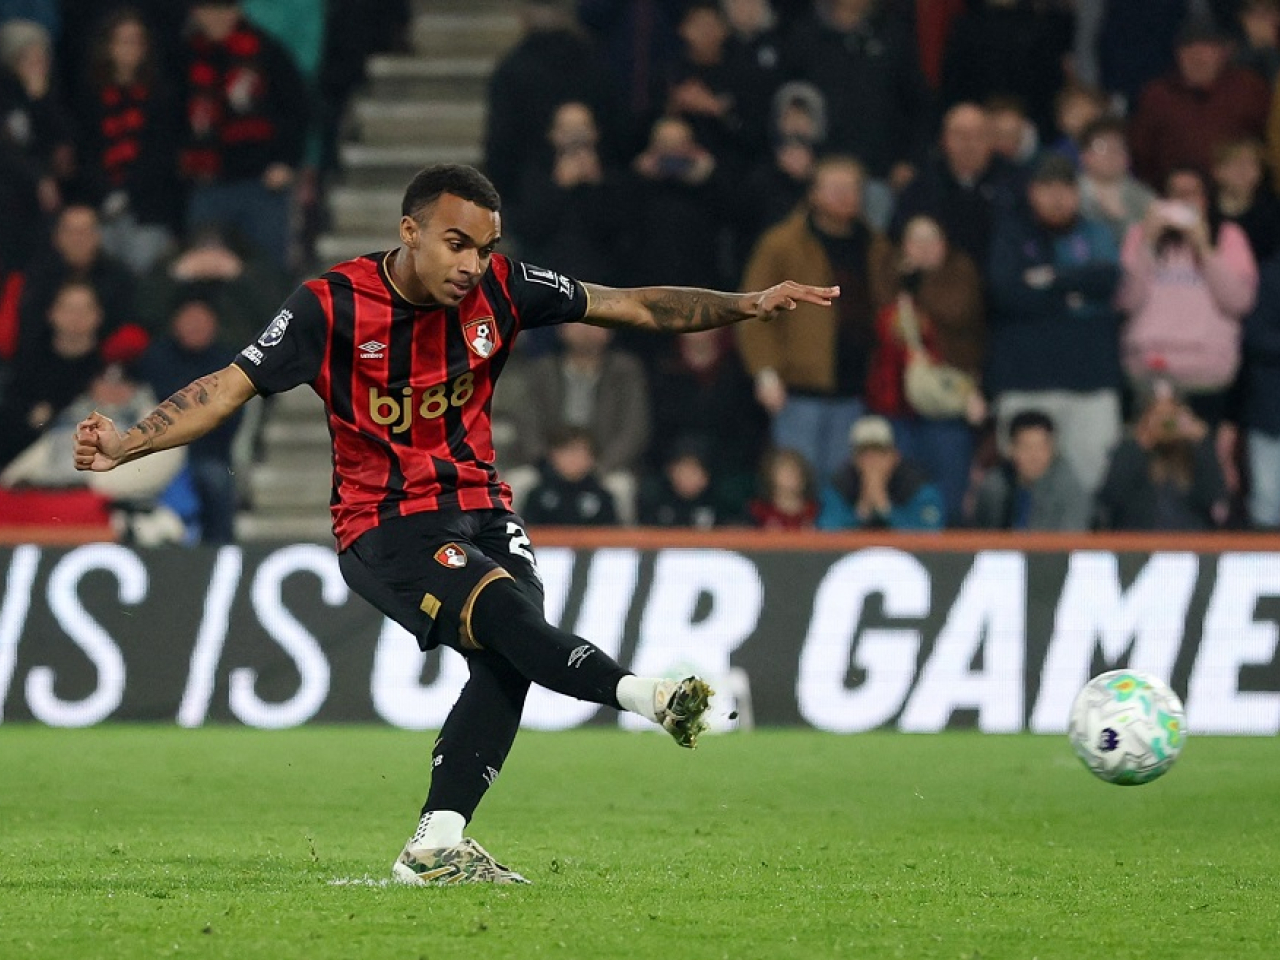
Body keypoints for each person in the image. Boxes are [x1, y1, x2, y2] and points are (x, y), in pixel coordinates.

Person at [72, 162, 838, 885]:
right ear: (409, 232)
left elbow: (633, 305)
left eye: (486, 248)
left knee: (510, 655)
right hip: (385, 525)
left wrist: (746, 305)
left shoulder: (506, 288)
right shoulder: (329, 305)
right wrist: (129, 442)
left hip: (483, 508)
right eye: (457, 243)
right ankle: (647, 697)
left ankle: (438, 842)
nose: (473, 264)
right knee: (510, 620)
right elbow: (226, 388)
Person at [738, 155, 894, 487]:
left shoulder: (875, 246)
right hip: (799, 390)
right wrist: (765, 372)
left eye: (852, 189)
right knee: (797, 485)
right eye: (835, 189)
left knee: (843, 488)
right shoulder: (782, 244)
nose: (845, 197)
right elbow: (753, 308)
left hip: (857, 390)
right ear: (814, 193)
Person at [986, 152, 1123, 494]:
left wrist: (1052, 279)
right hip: (1026, 380)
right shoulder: (1012, 235)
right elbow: (1006, 293)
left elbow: (1108, 279)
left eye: (1066, 188)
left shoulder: (1096, 234)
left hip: (1090, 383)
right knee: (1024, 486)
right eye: (1048, 188)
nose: (1058, 197)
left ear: (1077, 193)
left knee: (1091, 484)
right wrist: (1074, 293)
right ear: (1033, 192)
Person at [866, 214, 985, 525]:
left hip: (945, 401)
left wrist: (916, 282)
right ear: (903, 246)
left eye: (931, 241)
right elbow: (883, 322)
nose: (923, 249)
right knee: (901, 491)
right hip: (896, 405)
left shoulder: (960, 272)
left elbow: (956, 312)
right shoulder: (888, 274)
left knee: (949, 495)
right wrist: (902, 281)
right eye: (916, 242)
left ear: (944, 245)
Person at [1118, 166, 1258, 427]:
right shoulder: (1139, 235)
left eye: (1191, 193)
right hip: (1149, 369)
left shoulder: (1228, 236)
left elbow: (1239, 302)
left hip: (1206, 372)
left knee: (1201, 450)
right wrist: (1148, 244)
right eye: (1176, 194)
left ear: (1206, 199)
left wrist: (1204, 248)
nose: (1183, 201)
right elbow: (1126, 301)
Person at [180, 0, 309, 270]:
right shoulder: (185, 56)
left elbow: (298, 109)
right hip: (207, 184)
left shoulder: (266, 51)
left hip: (261, 185)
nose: (216, 17)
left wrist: (286, 161)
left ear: (237, 11)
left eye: (223, 9)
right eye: (209, 9)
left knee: (267, 269)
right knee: (205, 270)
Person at [76, 7, 181, 275]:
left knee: (143, 278)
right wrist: (105, 193)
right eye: (123, 41)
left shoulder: (162, 96)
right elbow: (84, 152)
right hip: (100, 208)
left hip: (148, 211)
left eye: (136, 41)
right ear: (108, 46)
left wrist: (127, 194)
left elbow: (163, 154)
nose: (130, 48)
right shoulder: (88, 96)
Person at [1129, 17, 1270, 190]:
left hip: (1241, 195)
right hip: (1175, 195)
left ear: (1223, 52)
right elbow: (1141, 154)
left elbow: (1268, 142)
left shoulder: (1249, 89)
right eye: (1189, 49)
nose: (1197, 57)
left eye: (1206, 49)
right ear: (1177, 55)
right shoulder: (1157, 96)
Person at [891, 102, 1023, 268]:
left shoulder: (1015, 182)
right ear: (943, 140)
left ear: (991, 140)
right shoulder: (921, 187)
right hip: (942, 276)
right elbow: (898, 237)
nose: (969, 144)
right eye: (960, 135)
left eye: (978, 135)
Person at [1096, 380, 1229, 531]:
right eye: (1157, 414)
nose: (1165, 423)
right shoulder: (1129, 451)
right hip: (1138, 538)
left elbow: (1216, 501)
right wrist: (1139, 445)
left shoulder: (1196, 452)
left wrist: (1202, 443)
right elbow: (1110, 499)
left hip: (1189, 538)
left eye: (1170, 415)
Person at [817, 414, 945, 531]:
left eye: (879, 452)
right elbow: (827, 530)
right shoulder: (840, 485)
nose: (873, 461)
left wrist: (886, 509)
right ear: (854, 459)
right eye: (864, 454)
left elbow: (930, 530)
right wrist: (862, 512)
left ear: (894, 456)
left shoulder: (915, 485)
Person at [971, 410, 1090, 530]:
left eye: (1041, 447)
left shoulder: (1069, 490)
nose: (1034, 457)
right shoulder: (995, 486)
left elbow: (1071, 536)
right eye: (1026, 447)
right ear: (1010, 449)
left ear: (1053, 449)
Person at [1076, 115, 1156, 247]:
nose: (1111, 153)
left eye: (1119, 146)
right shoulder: (1073, 192)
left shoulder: (1143, 197)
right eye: (1101, 146)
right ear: (1084, 155)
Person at [522, 427, 619, 527]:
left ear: (592, 459)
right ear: (552, 456)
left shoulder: (603, 497)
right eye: (566, 452)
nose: (573, 459)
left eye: (580, 453)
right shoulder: (537, 496)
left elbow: (612, 532)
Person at [746, 447, 817, 529]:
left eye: (795, 471)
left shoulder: (816, 512)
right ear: (771, 477)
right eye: (785, 471)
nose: (791, 476)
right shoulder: (758, 512)